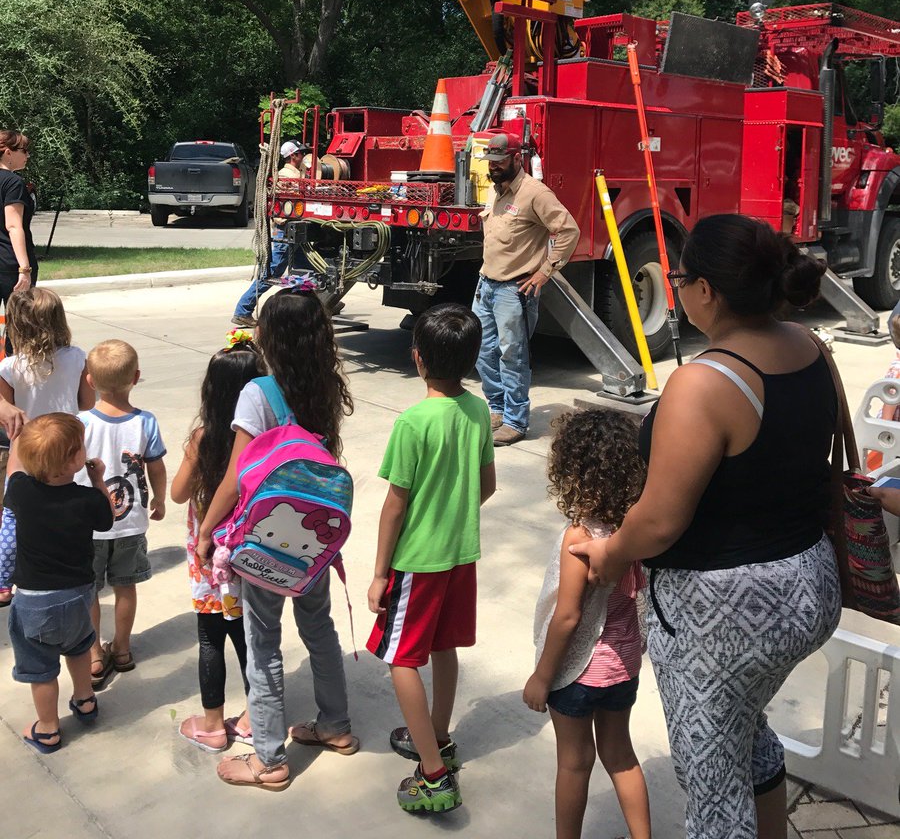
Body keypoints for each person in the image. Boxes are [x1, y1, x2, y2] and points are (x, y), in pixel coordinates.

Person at [569, 214, 841, 839]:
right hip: (807, 585)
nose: (679, 288)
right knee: (743, 726)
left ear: (707, 291)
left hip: (726, 610)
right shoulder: (810, 346)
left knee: (712, 792)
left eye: (681, 278)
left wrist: (613, 554)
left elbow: (661, 520)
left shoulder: (704, 382)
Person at [197, 288, 355, 791]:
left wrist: (205, 531)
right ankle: (335, 725)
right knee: (319, 628)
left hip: (266, 539)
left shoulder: (258, 392)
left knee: (262, 643)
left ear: (270, 336)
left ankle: (268, 759)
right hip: (314, 537)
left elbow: (235, 478)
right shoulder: (326, 385)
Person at [367, 304, 496, 814]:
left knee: (401, 657)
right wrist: (454, 514)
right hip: (460, 556)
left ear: (417, 359)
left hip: (417, 562)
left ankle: (435, 774)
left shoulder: (414, 422)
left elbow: (395, 504)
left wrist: (380, 573)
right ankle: (437, 736)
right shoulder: (480, 410)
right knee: (443, 647)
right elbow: (485, 485)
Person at [523, 408, 651, 839]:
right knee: (621, 756)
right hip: (624, 664)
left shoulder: (580, 538)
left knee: (574, 761)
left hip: (577, 672)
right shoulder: (637, 530)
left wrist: (542, 676)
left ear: (571, 469)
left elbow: (568, 616)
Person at [170, 331, 261, 752]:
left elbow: (177, 494)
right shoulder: (262, 439)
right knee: (248, 637)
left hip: (207, 559)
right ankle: (253, 717)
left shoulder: (203, 438)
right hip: (248, 553)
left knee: (210, 637)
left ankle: (210, 724)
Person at [5, 413, 114, 751]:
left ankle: (48, 728)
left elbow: (13, 471)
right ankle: (85, 700)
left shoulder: (22, 491)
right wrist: (98, 480)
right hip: (79, 595)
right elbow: (108, 519)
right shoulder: (87, 499)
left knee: (41, 670)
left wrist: (14, 441)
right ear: (76, 459)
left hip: (34, 602)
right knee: (79, 648)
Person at [473, 132, 580, 447]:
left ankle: (516, 421)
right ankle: (496, 408)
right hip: (486, 283)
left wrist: (545, 271)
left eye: (499, 161)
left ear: (517, 158)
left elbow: (568, 230)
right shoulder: (496, 191)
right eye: (490, 162)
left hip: (513, 290)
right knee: (482, 351)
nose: (493, 167)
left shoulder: (535, 193)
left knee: (513, 356)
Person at [75, 340, 167, 688]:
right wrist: (159, 499)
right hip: (130, 523)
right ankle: (124, 650)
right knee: (125, 587)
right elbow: (156, 468)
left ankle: (96, 653)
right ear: (136, 377)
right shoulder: (145, 422)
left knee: (90, 591)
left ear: (89, 381)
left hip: (88, 526)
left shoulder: (79, 422)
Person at [0, 288, 93, 607]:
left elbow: (7, 414)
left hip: (26, 450)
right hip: (66, 445)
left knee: (14, 515)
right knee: (64, 508)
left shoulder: (10, 367)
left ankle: (3, 580)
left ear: (16, 325)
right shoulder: (78, 357)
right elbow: (87, 402)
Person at [231, 139, 309, 326]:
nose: (304, 156)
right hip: (285, 230)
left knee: (308, 271)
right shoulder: (285, 175)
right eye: (301, 153)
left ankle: (317, 302)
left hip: (293, 230)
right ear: (293, 156)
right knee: (272, 272)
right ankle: (243, 310)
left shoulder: (295, 173)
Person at [0, 130, 37, 343]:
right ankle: (14, 375)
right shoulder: (13, 183)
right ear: (8, 153)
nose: (27, 155)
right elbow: (13, 225)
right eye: (24, 150)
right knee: (19, 328)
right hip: (10, 264)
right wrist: (24, 269)